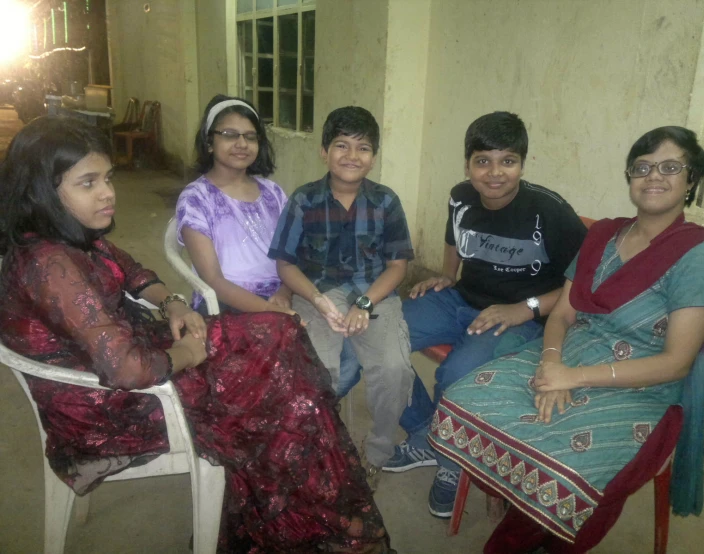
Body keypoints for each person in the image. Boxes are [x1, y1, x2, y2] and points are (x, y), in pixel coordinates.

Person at [0, 116, 394, 554]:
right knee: (289, 396)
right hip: (115, 406)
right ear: (42, 191)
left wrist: (174, 303)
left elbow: (133, 271)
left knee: (280, 334)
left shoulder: (74, 236)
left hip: (140, 356)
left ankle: (316, 499)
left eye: (107, 178)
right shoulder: (51, 264)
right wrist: (190, 351)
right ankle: (320, 515)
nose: (108, 193)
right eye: (88, 183)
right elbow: (128, 368)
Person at [429, 126, 704, 553]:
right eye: (642, 167)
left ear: (691, 180)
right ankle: (516, 503)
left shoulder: (700, 256)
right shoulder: (606, 235)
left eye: (670, 167)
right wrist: (551, 361)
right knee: (465, 399)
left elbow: (675, 363)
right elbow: (565, 311)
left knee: (566, 465)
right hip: (568, 354)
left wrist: (575, 377)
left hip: (640, 385)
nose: (653, 177)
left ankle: (540, 534)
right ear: (629, 177)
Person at [384, 112, 588, 517]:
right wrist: (445, 275)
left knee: (456, 375)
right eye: (483, 161)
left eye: (507, 161)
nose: (494, 173)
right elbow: (453, 238)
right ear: (468, 164)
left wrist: (525, 308)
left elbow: (580, 287)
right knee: (379, 337)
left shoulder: (551, 213)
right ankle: (427, 432)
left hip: (518, 317)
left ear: (522, 165)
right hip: (460, 299)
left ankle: (450, 465)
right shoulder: (460, 195)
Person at [269, 106, 415, 491]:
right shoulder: (304, 201)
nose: (352, 156)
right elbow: (285, 265)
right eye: (341, 145)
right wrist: (318, 301)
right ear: (323, 151)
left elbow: (398, 266)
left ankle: (378, 451)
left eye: (363, 148)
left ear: (374, 156)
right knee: (318, 372)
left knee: (395, 370)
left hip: (375, 293)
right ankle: (318, 450)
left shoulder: (386, 202)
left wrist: (365, 304)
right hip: (317, 293)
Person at [176, 94, 361, 398]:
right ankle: (289, 427)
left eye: (250, 136)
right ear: (209, 142)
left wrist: (284, 293)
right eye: (229, 135)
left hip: (283, 294)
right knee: (291, 368)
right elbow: (213, 281)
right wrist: (271, 311)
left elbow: (292, 255)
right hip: (228, 304)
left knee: (349, 357)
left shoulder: (272, 192)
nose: (241, 143)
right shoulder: (197, 198)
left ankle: (302, 422)